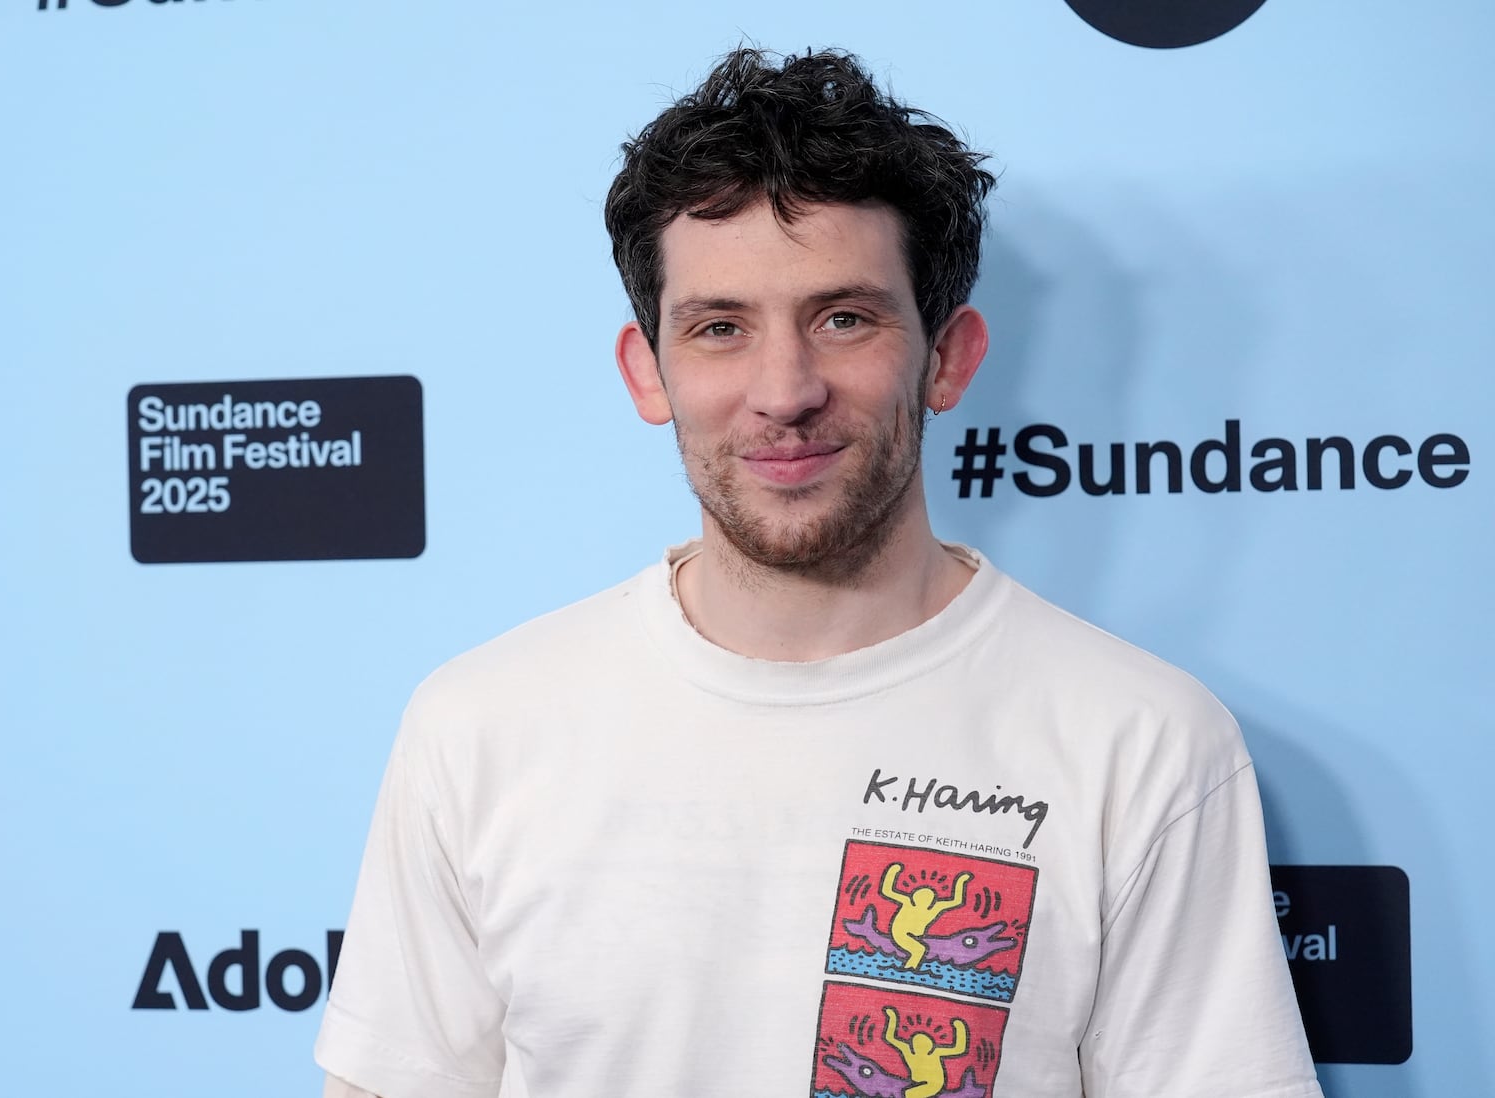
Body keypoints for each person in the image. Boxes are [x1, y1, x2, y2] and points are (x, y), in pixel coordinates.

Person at [315, 46, 1322, 1098]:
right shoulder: (481, 727)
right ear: (646, 373)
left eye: (844, 319)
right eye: (718, 329)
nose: (784, 390)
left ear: (947, 357)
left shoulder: (1139, 740)